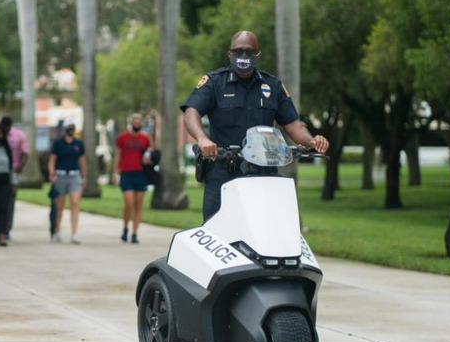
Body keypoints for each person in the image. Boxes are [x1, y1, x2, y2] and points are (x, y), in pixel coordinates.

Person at [180, 30, 329, 221]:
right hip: (223, 170)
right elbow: (191, 111)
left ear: (257, 54)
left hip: (263, 171)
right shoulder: (215, 82)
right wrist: (202, 139)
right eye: (238, 51)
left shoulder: (272, 85)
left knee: (266, 227)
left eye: (249, 52)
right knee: (216, 227)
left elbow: (293, 124)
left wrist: (311, 141)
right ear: (229, 53)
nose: (243, 56)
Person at [111, 113, 152, 244]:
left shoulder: (145, 138)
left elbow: (150, 154)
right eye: (135, 122)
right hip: (126, 173)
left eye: (139, 122)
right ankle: (125, 228)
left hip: (141, 173)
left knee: (138, 205)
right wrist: (115, 173)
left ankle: (134, 233)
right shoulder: (122, 137)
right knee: (129, 203)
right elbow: (117, 155)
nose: (137, 124)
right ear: (131, 123)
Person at [48, 118, 86, 244]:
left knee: (75, 202)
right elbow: (52, 160)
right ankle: (58, 229)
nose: (71, 129)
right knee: (60, 205)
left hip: (74, 175)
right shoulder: (58, 143)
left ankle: (74, 233)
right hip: (61, 175)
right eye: (69, 127)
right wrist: (52, 174)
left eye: (73, 127)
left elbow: (82, 160)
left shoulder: (78, 143)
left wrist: (84, 176)